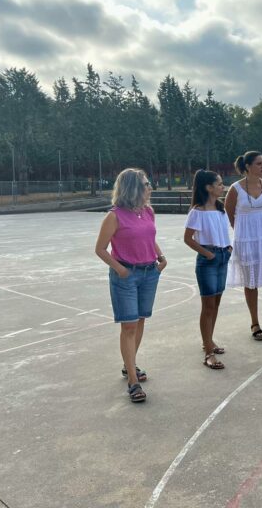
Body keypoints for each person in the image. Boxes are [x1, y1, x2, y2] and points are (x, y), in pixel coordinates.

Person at [95, 168, 167, 403]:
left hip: (149, 273)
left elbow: (149, 238)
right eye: (146, 184)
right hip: (126, 275)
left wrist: (161, 258)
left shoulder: (148, 211)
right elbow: (100, 249)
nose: (150, 188)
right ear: (133, 188)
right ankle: (133, 381)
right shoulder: (114, 216)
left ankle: (130, 365)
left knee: (140, 320)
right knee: (129, 326)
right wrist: (120, 269)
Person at [224, 151, 262, 340]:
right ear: (248, 167)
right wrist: (240, 232)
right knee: (250, 280)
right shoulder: (235, 189)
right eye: (259, 163)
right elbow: (229, 212)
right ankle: (254, 322)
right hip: (246, 239)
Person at [184, 170, 232, 370]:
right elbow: (188, 239)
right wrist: (208, 254)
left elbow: (223, 231)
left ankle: (209, 341)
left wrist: (228, 249)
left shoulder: (220, 208)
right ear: (208, 187)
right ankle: (208, 354)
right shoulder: (198, 211)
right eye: (219, 184)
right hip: (208, 260)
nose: (223, 187)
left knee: (216, 302)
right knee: (208, 306)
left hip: (223, 257)